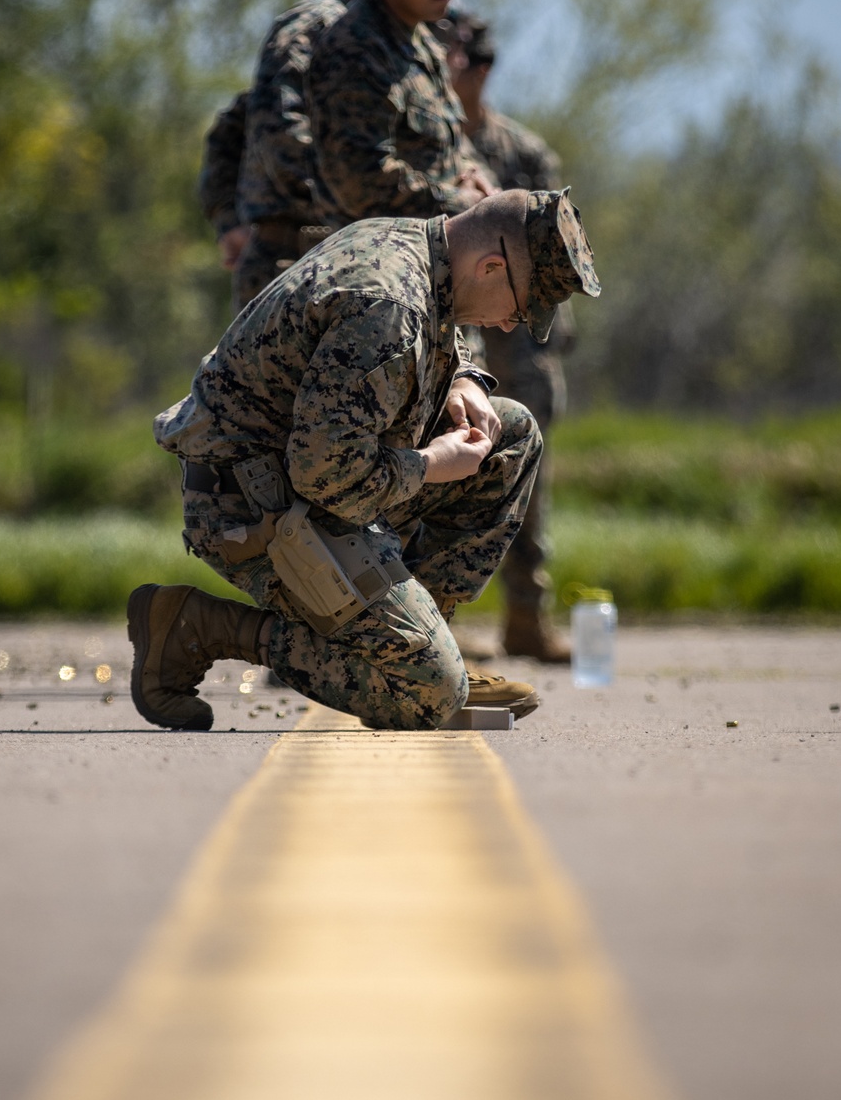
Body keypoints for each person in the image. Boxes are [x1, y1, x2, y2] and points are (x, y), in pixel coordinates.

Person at [126, 188, 601, 734]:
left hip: (308, 479)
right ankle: (200, 626)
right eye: (519, 309)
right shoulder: (388, 307)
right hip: (254, 504)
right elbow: (326, 473)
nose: (511, 326)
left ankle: (419, 641)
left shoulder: (412, 242)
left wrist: (461, 375)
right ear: (492, 266)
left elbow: (435, 328)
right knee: (429, 699)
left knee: (510, 433)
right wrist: (431, 464)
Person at [433, 9, 577, 663]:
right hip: (447, 328)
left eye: (466, 60)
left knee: (524, 465)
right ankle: (432, 614)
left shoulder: (521, 151)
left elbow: (558, 251)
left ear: (484, 70)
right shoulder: (421, 146)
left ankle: (526, 612)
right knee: (440, 461)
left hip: (517, 340)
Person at [198, 0, 378, 310]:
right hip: (297, 259)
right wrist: (228, 220)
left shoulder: (384, 42)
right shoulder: (318, 25)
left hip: (347, 257)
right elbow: (264, 124)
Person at [306, 0, 495, 227]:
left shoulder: (421, 41)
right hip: (371, 263)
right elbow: (361, 182)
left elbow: (446, 151)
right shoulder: (357, 47)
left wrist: (476, 179)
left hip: (425, 255)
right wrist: (462, 203)